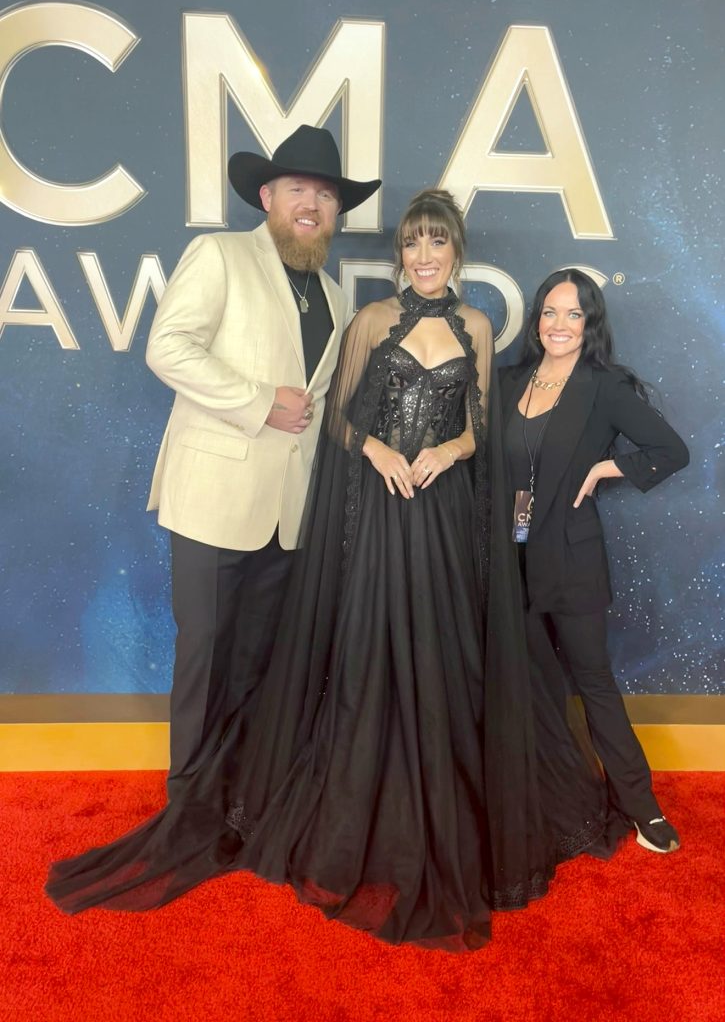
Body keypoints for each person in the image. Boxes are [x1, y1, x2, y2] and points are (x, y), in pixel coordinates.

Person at [47, 193, 624, 951]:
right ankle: (349, 807)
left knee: (441, 660)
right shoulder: (368, 323)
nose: (424, 254)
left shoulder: (478, 327)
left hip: (444, 519)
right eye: (413, 242)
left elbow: (480, 427)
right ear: (401, 255)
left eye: (437, 242)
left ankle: (440, 805)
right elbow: (339, 421)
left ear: (456, 252)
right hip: (379, 520)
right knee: (367, 659)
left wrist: (446, 452)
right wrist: (379, 450)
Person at [143, 125, 380, 795]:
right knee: (205, 656)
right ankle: (187, 798)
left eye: (326, 195)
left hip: (289, 513)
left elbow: (325, 408)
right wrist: (257, 401)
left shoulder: (333, 296)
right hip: (214, 497)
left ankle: (238, 795)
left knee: (256, 660)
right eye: (299, 189)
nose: (313, 204)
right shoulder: (218, 254)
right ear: (268, 195)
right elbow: (169, 349)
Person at [499, 268, 689, 854]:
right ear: (536, 320)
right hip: (509, 563)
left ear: (590, 323)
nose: (559, 324)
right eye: (550, 312)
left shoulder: (603, 387)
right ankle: (538, 798)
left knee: (594, 684)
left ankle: (641, 805)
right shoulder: (509, 382)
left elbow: (671, 450)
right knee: (525, 686)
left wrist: (610, 467)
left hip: (573, 562)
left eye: (573, 314)